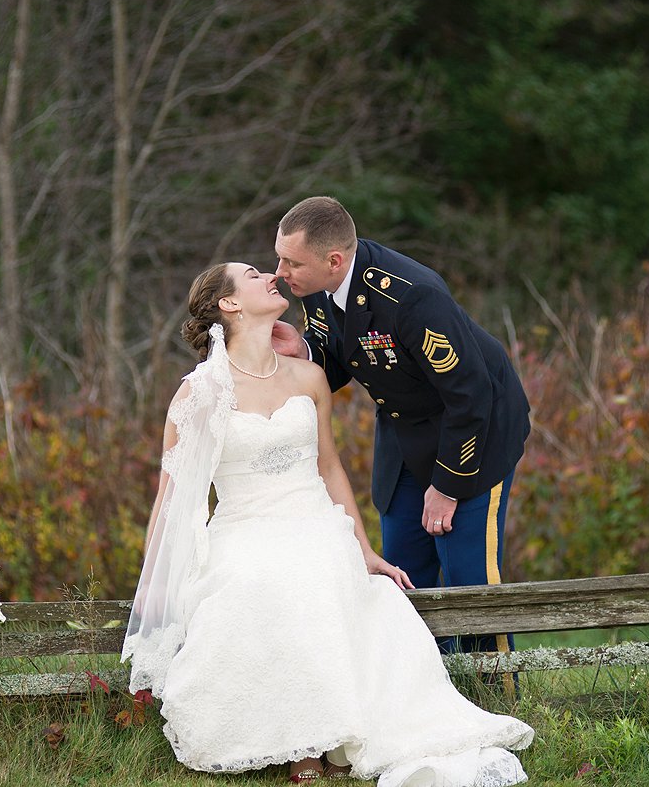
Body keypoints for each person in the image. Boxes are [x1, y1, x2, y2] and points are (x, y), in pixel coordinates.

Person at [122, 262, 534, 786]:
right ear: (229, 305)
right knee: (263, 582)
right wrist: (157, 581)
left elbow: (330, 466)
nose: (270, 275)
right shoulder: (199, 393)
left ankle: (322, 743)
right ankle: (300, 745)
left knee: (336, 579)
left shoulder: (310, 376)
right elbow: (174, 494)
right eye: (253, 275)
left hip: (315, 521)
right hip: (243, 527)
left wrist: (364, 549)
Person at [270, 197, 531, 662]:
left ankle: (496, 696)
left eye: (291, 262)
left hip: (475, 432)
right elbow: (339, 359)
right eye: (280, 257)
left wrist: (448, 485)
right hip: (404, 432)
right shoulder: (312, 288)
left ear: (335, 260)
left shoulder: (412, 295)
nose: (279, 271)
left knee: (469, 576)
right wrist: (305, 352)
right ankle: (430, 692)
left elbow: (470, 395)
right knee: (402, 571)